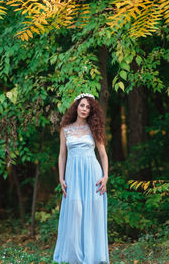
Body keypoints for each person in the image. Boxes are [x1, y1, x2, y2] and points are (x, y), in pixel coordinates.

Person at [53, 93, 109, 264]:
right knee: (76, 211)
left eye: (88, 107)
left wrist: (105, 177)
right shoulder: (65, 129)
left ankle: (93, 256)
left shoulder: (94, 129)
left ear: (91, 111)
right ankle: (75, 256)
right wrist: (61, 178)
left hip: (92, 174)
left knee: (92, 213)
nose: (84, 109)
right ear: (76, 107)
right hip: (72, 175)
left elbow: (103, 155)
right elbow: (62, 156)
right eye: (82, 105)